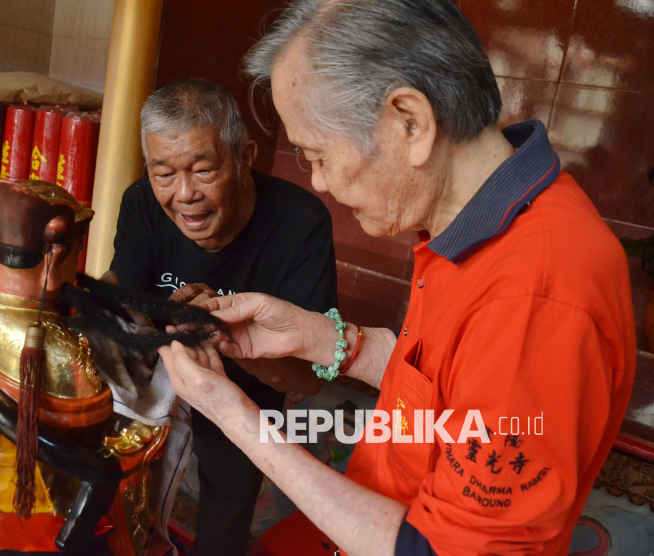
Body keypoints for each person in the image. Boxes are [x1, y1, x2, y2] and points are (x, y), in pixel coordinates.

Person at [157, 1, 637, 555]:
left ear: (409, 121)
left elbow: (439, 550)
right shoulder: (481, 222)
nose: (319, 182)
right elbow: (455, 389)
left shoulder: (538, 293)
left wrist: (233, 416)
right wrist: (322, 338)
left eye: (317, 154)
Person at [109, 78, 337, 555]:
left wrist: (223, 333)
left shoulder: (300, 224)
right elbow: (127, 298)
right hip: (157, 368)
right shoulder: (141, 202)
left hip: (247, 388)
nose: (184, 193)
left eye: (204, 169)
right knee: (113, 482)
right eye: (164, 173)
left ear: (245, 157)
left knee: (225, 517)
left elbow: (308, 379)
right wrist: (169, 319)